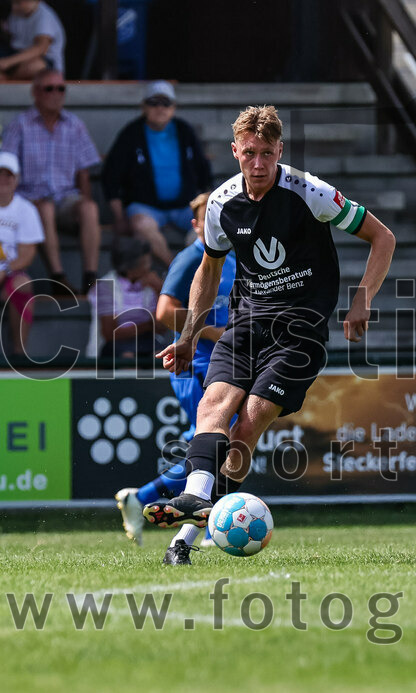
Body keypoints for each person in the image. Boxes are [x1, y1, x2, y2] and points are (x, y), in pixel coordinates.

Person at [144, 105, 396, 565]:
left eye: (267, 154)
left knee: (247, 426)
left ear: (280, 150)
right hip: (247, 323)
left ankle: (188, 529)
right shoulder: (221, 204)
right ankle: (194, 512)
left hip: (300, 330)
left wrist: (363, 299)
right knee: (212, 406)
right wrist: (187, 336)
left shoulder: (309, 192)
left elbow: (383, 237)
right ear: (235, 152)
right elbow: (208, 268)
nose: (258, 164)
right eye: (249, 154)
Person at [115, 191, 236, 550]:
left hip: (223, 362)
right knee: (217, 439)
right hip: (194, 364)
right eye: (209, 219)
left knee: (214, 440)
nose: (218, 225)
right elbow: (165, 311)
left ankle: (143, 498)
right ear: (197, 225)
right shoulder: (191, 258)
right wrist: (213, 333)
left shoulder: (232, 257)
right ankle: (212, 527)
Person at [1, 68, 102, 296]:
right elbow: (6, 167)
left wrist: (83, 199)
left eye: (61, 88)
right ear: (35, 93)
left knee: (89, 208)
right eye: (49, 88)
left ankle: (90, 279)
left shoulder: (75, 124)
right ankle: (59, 279)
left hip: (66, 199)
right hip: (29, 199)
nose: (56, 93)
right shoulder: (20, 124)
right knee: (44, 207)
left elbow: (84, 172)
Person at [102, 80, 213, 267]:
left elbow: (203, 171)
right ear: (143, 106)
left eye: (166, 103)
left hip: (185, 205)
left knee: (209, 226)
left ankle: (193, 271)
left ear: (174, 107)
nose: (160, 108)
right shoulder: (131, 133)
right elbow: (111, 176)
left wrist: (207, 202)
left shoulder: (184, 130)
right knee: (141, 227)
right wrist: (119, 217)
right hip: (146, 207)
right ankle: (175, 271)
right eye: (154, 102)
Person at [86, 236, 164, 361]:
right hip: (114, 344)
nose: (149, 266)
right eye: (144, 263)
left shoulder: (151, 284)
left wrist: (160, 290)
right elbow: (110, 333)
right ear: (130, 268)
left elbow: (161, 328)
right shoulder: (105, 287)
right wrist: (148, 326)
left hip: (146, 341)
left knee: (162, 355)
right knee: (128, 357)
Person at [0, 151, 44, 357]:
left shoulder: (25, 209)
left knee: (22, 284)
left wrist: (5, 269)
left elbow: (27, 253)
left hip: (10, 272)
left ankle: (19, 353)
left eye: (8, 175)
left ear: (16, 179)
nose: (3, 179)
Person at [0, 0, 65, 81]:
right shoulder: (17, 13)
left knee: (36, 66)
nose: (14, 7)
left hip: (46, 63)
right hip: (17, 56)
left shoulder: (44, 17)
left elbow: (41, 48)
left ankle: (8, 81)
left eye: (18, 3)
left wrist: (8, 62)